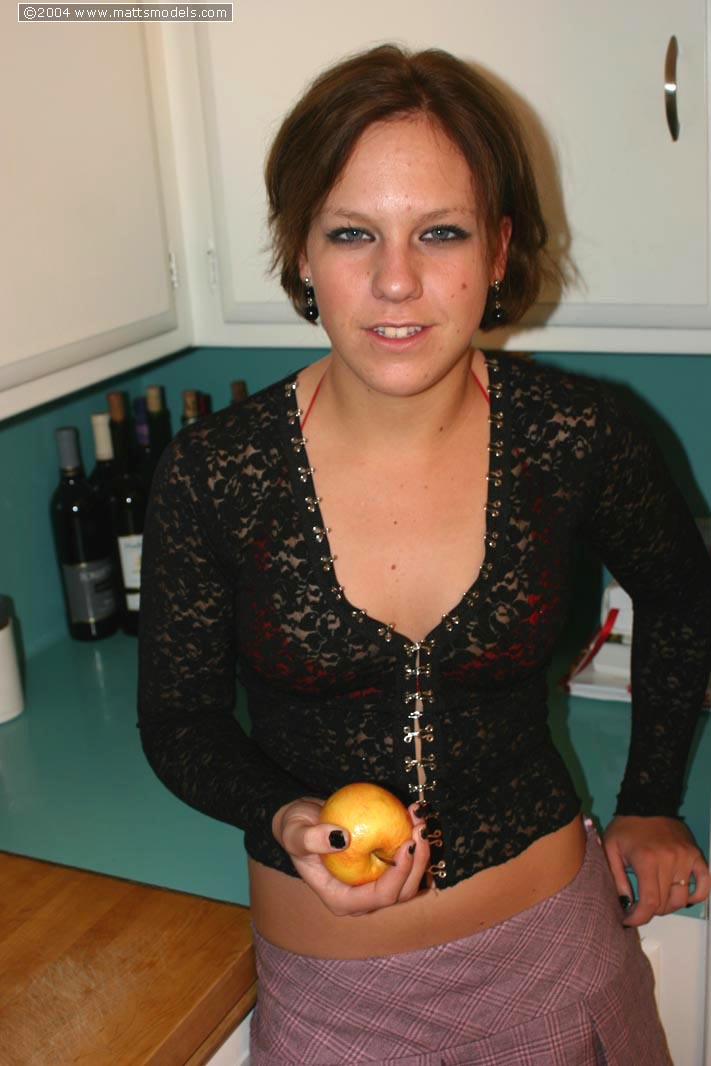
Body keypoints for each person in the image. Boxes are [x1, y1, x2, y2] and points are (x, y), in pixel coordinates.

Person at [137, 44, 711, 1065]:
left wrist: (653, 800)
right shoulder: (214, 474)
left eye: (440, 232)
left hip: (558, 957)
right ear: (301, 252)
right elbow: (178, 721)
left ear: (498, 251)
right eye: (351, 232)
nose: (395, 280)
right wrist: (281, 812)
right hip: (334, 1007)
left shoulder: (575, 437)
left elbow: (684, 594)